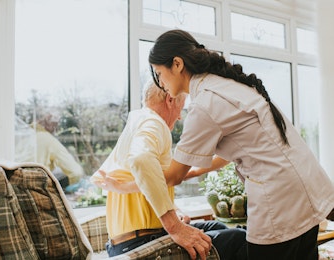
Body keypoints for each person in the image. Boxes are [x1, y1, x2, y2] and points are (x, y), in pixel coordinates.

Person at [145, 29, 334, 260]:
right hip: (301, 191)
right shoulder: (225, 85)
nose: (160, 83)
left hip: (280, 201)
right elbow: (227, 156)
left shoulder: (205, 102)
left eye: (159, 73)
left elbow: (173, 176)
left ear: (176, 64)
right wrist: (188, 172)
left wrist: (135, 175)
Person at [91, 82, 247, 259]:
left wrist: (173, 208)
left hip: (126, 243)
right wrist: (174, 225)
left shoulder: (138, 122)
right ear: (170, 99)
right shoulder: (154, 123)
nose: (180, 116)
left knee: (218, 228)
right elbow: (141, 159)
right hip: (140, 243)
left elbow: (171, 176)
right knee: (240, 238)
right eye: (182, 106)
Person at [15, 113, 84, 187]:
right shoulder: (49, 140)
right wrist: (56, 187)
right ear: (51, 125)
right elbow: (76, 172)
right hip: (35, 188)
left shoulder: (21, 138)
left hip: (15, 187)